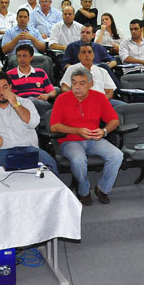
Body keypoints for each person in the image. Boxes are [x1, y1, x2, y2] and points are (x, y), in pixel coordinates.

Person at [50, 68, 123, 205]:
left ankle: (102, 189)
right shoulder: (62, 99)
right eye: (74, 83)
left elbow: (114, 120)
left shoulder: (99, 97)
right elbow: (54, 126)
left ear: (91, 83)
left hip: (94, 139)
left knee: (117, 155)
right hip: (70, 140)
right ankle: (84, 191)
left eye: (82, 83)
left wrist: (104, 131)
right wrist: (77, 131)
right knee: (78, 160)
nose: (77, 87)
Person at [0, 71, 58, 174]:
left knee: (51, 166)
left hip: (29, 150)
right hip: (1, 152)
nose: (2, 92)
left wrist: (16, 104)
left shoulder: (26, 103)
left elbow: (33, 123)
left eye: (5, 87)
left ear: (10, 87)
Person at [7, 45, 56, 116]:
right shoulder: (9, 74)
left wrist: (47, 95)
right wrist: (21, 100)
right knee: (28, 102)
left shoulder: (40, 72)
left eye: (25, 56)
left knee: (31, 101)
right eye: (19, 56)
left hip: (40, 103)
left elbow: (53, 91)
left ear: (31, 57)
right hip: (20, 103)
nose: (21, 59)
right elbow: (7, 92)